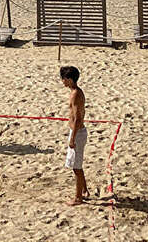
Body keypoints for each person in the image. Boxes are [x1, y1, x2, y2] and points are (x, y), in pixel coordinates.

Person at [60, 65, 89, 206]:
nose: (62, 81)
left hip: (78, 133)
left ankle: (78, 198)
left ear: (70, 80)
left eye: (64, 79)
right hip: (77, 132)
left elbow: (77, 118)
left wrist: (72, 138)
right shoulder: (76, 92)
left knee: (76, 167)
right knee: (77, 164)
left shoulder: (76, 94)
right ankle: (84, 190)